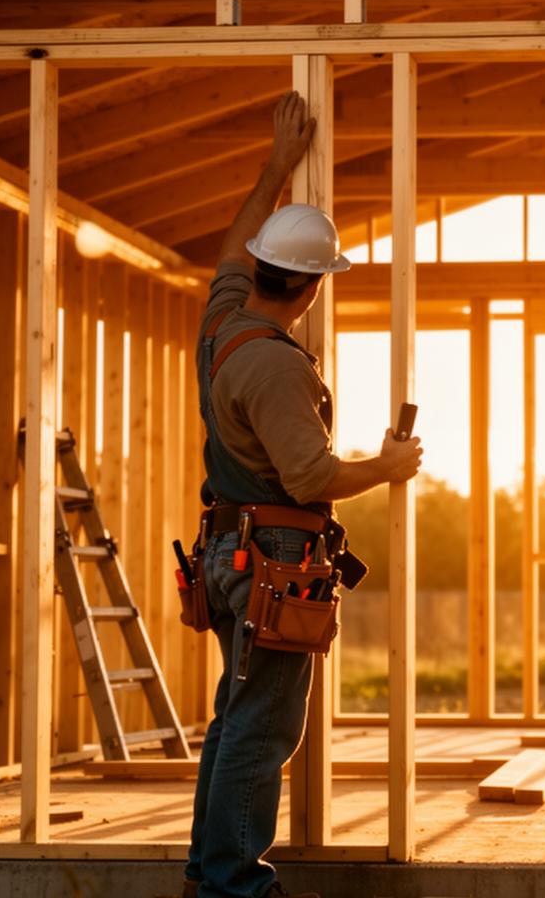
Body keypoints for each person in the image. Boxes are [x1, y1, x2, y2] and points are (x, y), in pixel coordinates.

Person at [184, 90, 424, 898]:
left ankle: (208, 879)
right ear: (314, 287)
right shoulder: (278, 367)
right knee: (260, 731)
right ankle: (234, 890)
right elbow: (313, 479)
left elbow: (226, 253)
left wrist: (275, 168)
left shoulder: (223, 324)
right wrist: (388, 469)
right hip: (274, 558)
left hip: (229, 550)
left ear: (260, 268)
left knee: (233, 720)